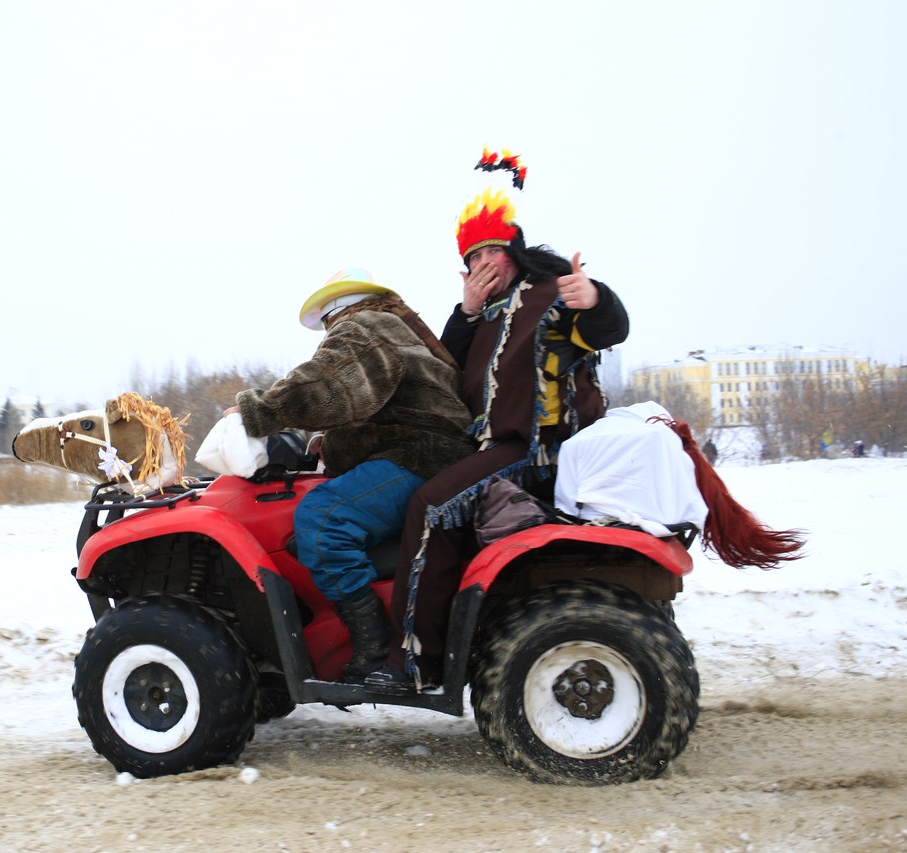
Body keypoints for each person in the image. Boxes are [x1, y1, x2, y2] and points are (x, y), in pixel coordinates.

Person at [365, 150, 630, 695]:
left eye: (493, 250)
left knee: (431, 507)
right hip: (486, 450)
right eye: (473, 255)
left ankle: (415, 662)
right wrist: (463, 310)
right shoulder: (483, 316)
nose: (484, 261)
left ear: (515, 253)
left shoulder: (550, 298)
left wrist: (597, 298)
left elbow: (607, 329)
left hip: (533, 451)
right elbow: (446, 366)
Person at [229, 269, 475, 682]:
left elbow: (329, 382)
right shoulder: (394, 328)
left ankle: (373, 646)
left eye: (326, 324)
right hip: (423, 451)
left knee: (323, 517)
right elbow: (379, 404)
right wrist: (331, 443)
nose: (327, 332)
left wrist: (256, 411)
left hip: (421, 456)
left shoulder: (364, 326)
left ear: (337, 312)